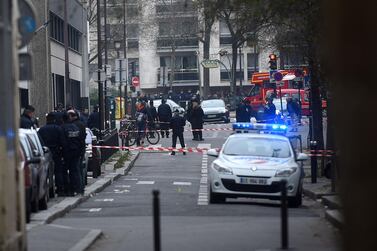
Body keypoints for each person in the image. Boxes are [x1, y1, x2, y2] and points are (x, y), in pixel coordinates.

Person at [38, 112, 66, 196]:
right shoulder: (58, 129)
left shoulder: (42, 130)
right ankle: (60, 188)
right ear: (54, 120)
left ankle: (48, 188)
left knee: (46, 171)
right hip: (57, 152)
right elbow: (62, 141)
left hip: (45, 152)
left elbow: (40, 142)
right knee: (58, 171)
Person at [61, 112, 82, 196]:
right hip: (76, 152)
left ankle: (67, 189)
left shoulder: (62, 128)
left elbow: (62, 141)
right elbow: (80, 140)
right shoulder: (75, 127)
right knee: (75, 170)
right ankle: (77, 188)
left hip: (66, 152)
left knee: (64, 171)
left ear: (62, 120)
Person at [67, 110, 87, 194]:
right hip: (81, 149)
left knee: (76, 169)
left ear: (71, 116)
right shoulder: (82, 124)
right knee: (80, 169)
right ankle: (81, 187)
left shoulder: (73, 125)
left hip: (75, 150)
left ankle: (77, 187)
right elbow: (83, 137)